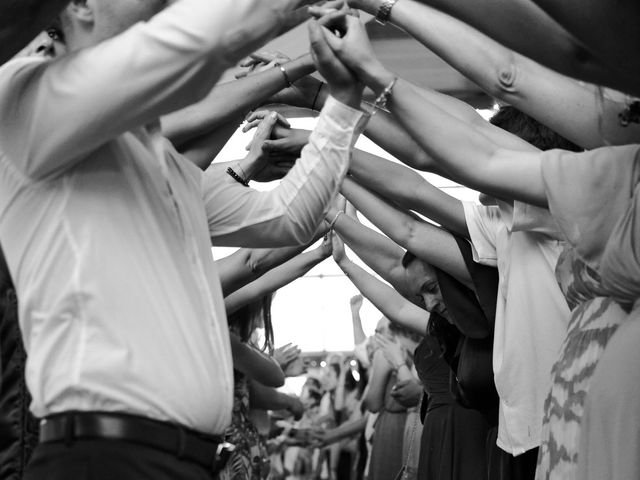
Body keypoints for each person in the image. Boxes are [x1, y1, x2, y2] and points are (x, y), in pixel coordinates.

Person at [0, 1, 368, 478]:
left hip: (184, 461)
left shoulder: (166, 163)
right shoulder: (23, 99)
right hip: (107, 459)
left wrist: (343, 98)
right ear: (79, 8)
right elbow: (189, 47)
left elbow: (287, 219)